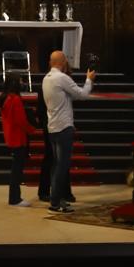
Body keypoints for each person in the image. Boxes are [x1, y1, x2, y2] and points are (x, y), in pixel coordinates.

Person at [41, 50, 95, 214]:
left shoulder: (46, 79)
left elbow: (63, 98)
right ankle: (55, 202)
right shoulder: (62, 78)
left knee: (57, 165)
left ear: (51, 62)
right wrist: (89, 80)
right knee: (62, 166)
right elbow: (83, 94)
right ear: (63, 62)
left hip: (52, 127)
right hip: (64, 127)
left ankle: (58, 199)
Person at [0, 73, 39, 207]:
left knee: (15, 169)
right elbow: (21, 120)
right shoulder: (15, 99)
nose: (22, 83)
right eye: (21, 81)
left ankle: (14, 197)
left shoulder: (5, 98)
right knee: (17, 170)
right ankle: (15, 198)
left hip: (11, 136)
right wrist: (32, 129)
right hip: (18, 137)